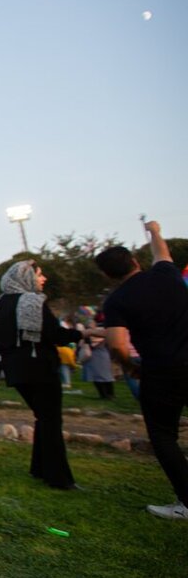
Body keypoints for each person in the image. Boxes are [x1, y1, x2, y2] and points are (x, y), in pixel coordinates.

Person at [96, 221, 188, 520]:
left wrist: (129, 366)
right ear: (136, 261)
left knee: (163, 436)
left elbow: (118, 344)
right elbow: (162, 253)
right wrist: (155, 232)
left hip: (162, 371)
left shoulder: (118, 300)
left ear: (108, 276)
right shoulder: (167, 275)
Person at [0, 260, 90, 490]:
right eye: (39, 274)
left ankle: (39, 467)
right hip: (39, 366)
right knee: (50, 420)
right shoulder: (32, 301)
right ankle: (59, 478)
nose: (43, 278)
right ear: (26, 278)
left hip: (15, 368)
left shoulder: (0, 303)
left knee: (42, 417)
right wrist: (83, 333)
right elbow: (53, 334)